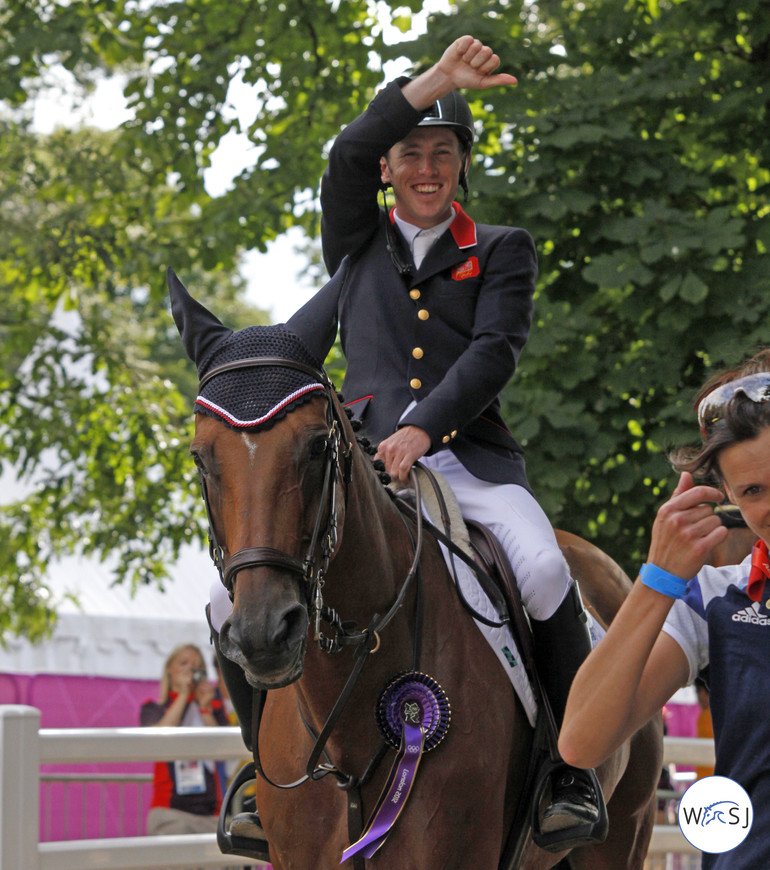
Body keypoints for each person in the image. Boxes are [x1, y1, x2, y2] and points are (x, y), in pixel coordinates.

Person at [281, 33, 604, 840]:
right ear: (389, 169)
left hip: (471, 463)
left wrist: (425, 427)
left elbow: (495, 351)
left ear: (462, 165)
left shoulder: (501, 250)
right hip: (362, 467)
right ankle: (265, 780)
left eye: (443, 153)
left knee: (539, 570)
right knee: (228, 596)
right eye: (410, 153)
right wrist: (431, 85)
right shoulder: (356, 243)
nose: (426, 168)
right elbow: (345, 154)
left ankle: (572, 771)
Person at [558, 347, 770, 868]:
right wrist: (657, 580)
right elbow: (582, 742)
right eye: (754, 489)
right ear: (727, 495)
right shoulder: (715, 598)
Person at [140, 644, 231, 867]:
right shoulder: (153, 708)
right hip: (171, 813)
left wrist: (205, 708)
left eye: (197, 666)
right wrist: (182, 696)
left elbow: (224, 747)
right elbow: (159, 737)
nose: (190, 670)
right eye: (184, 664)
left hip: (212, 815)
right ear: (169, 670)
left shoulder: (213, 707)